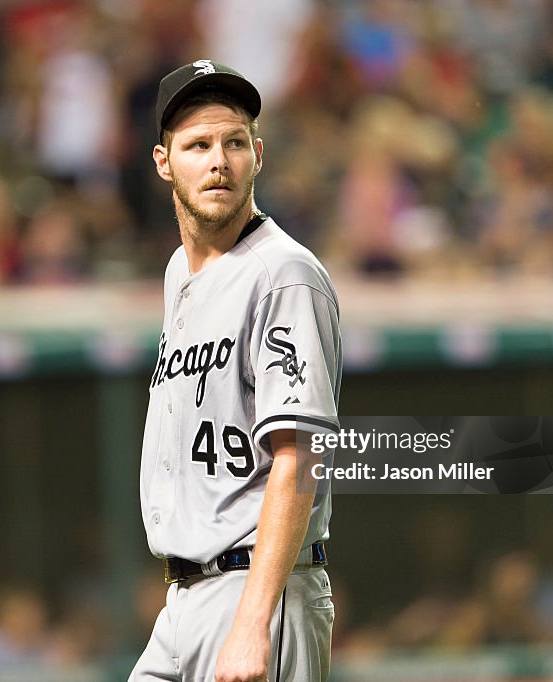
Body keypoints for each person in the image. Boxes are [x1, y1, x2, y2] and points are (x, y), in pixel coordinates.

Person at [130, 60, 342, 682]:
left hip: (257, 592)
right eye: (197, 145)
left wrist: (255, 623)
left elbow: (298, 457)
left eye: (234, 142)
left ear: (257, 154)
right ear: (164, 163)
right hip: (184, 603)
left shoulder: (285, 274)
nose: (218, 160)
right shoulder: (180, 274)